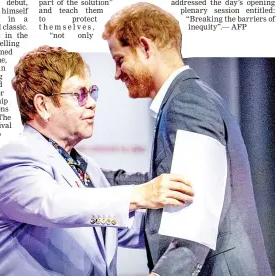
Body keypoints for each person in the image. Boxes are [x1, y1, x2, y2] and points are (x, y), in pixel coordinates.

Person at [0, 46, 194, 276]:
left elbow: (126, 229)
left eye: (91, 92)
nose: (92, 103)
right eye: (79, 95)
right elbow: (53, 204)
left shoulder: (87, 169)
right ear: (43, 105)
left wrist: (191, 218)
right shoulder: (14, 158)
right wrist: (139, 195)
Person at [102, 2, 272, 276]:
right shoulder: (185, 99)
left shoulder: (186, 102)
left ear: (145, 48)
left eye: (120, 59)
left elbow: (196, 219)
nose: (117, 73)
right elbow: (168, 185)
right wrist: (89, 176)